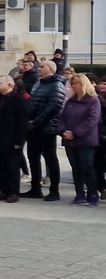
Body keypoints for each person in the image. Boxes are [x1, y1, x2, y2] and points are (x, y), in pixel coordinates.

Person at [19, 60, 65, 202]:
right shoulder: (39, 83)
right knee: (33, 158)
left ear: (51, 69)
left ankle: (54, 191)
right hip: (33, 127)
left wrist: (37, 122)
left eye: (42, 67)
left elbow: (54, 106)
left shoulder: (57, 84)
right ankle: (35, 188)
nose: (39, 69)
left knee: (50, 158)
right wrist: (29, 120)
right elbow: (33, 103)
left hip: (47, 128)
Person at [59, 73, 101, 206]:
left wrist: (76, 132)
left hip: (85, 140)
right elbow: (62, 117)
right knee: (75, 168)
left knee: (87, 167)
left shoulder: (93, 100)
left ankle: (92, 193)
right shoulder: (70, 101)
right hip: (70, 140)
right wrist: (63, 131)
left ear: (82, 85)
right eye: (71, 84)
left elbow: (92, 120)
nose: (72, 86)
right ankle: (79, 193)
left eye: (75, 83)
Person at [0, 75, 29, 204]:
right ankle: (4, 190)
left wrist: (19, 141)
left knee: (12, 167)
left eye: (0, 83)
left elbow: (22, 123)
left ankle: (13, 192)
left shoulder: (18, 100)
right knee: (1, 166)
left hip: (12, 140)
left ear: (9, 85)